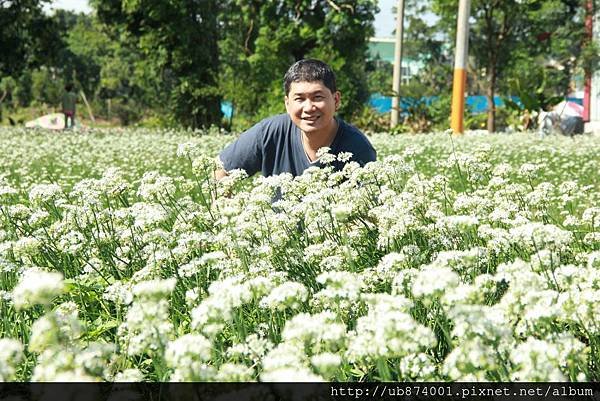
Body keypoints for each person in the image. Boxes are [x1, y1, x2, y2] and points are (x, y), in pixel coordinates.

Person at [215, 59, 376, 180]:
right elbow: (220, 170)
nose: (309, 108)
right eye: (299, 99)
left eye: (317, 97)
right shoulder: (270, 132)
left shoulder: (358, 148)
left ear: (336, 100)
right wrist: (225, 217)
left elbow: (365, 216)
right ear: (287, 103)